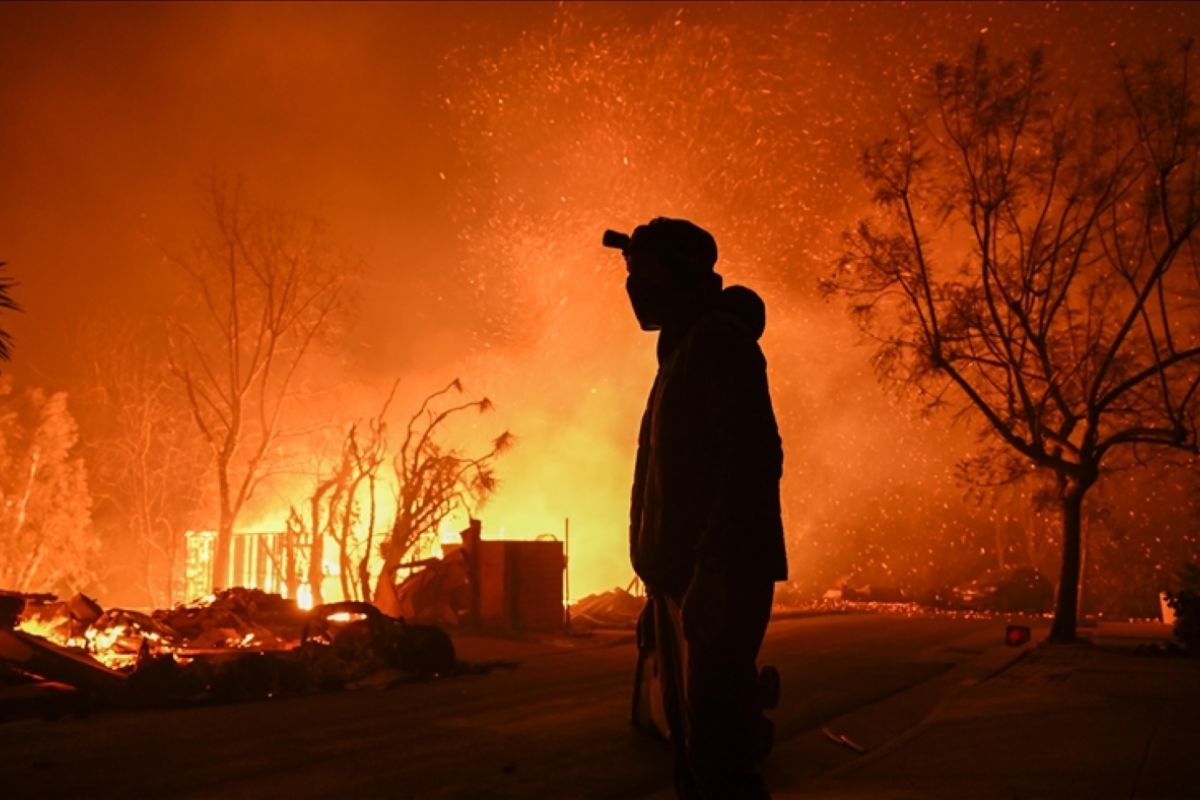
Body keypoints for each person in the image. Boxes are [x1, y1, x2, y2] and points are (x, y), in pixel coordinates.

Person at [613, 218, 788, 799]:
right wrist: (657, 576)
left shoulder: (717, 345)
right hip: (683, 579)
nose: (633, 288)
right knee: (694, 750)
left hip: (714, 578)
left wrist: (713, 569)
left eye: (644, 273)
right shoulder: (683, 352)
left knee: (718, 758)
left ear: (681, 276)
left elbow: (752, 462)